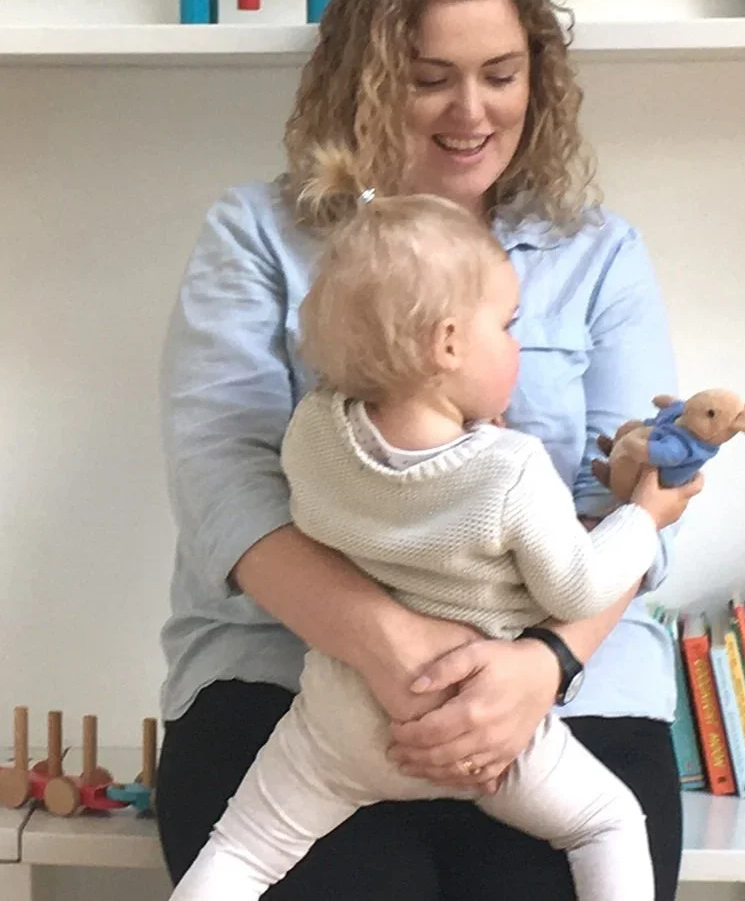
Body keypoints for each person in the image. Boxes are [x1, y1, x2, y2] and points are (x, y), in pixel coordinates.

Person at [155, 0, 702, 901]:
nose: (472, 111)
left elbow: (634, 516)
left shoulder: (598, 252)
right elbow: (222, 488)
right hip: (291, 681)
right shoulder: (256, 236)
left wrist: (539, 667)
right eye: (429, 80)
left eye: (502, 75)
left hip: (562, 690)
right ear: (366, 81)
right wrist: (397, 652)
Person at [166, 194, 698, 901]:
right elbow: (578, 588)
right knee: (607, 825)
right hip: (488, 722)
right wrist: (643, 515)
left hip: (339, 719)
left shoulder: (313, 432)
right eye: (508, 327)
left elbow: (329, 491)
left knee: (241, 850)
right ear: (449, 344)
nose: (515, 342)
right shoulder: (513, 470)